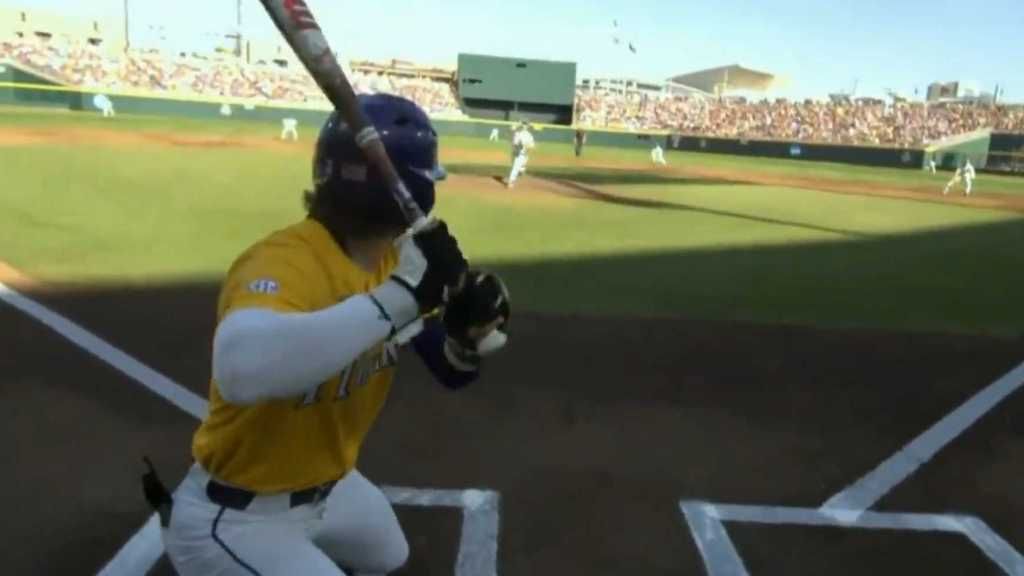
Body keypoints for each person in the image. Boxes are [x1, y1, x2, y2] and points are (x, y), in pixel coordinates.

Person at [157, 94, 511, 576]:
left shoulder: (390, 261)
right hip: (238, 516)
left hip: (332, 486)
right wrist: (403, 296)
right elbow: (241, 369)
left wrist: (465, 340)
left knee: (390, 557)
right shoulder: (285, 261)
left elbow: (448, 369)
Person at [506, 122, 535, 189]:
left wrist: (527, 147)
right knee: (515, 167)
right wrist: (516, 125)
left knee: (519, 165)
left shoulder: (529, 135)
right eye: (523, 125)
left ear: (527, 127)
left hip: (523, 154)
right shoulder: (517, 133)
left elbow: (532, 146)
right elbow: (510, 130)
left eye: (526, 125)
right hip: (517, 153)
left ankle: (521, 169)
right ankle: (511, 181)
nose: (524, 126)